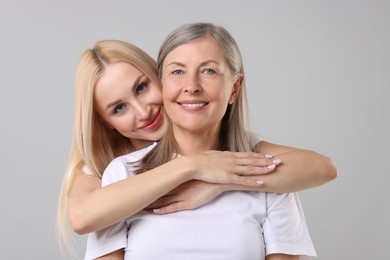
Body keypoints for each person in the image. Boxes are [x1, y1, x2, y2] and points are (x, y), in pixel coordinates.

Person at [85, 23, 336, 259]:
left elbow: (324, 167)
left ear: (234, 89)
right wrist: (194, 166)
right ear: (163, 83)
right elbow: (83, 219)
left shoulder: (267, 174)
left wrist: (222, 183)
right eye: (177, 71)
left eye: (208, 71)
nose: (191, 86)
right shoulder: (123, 173)